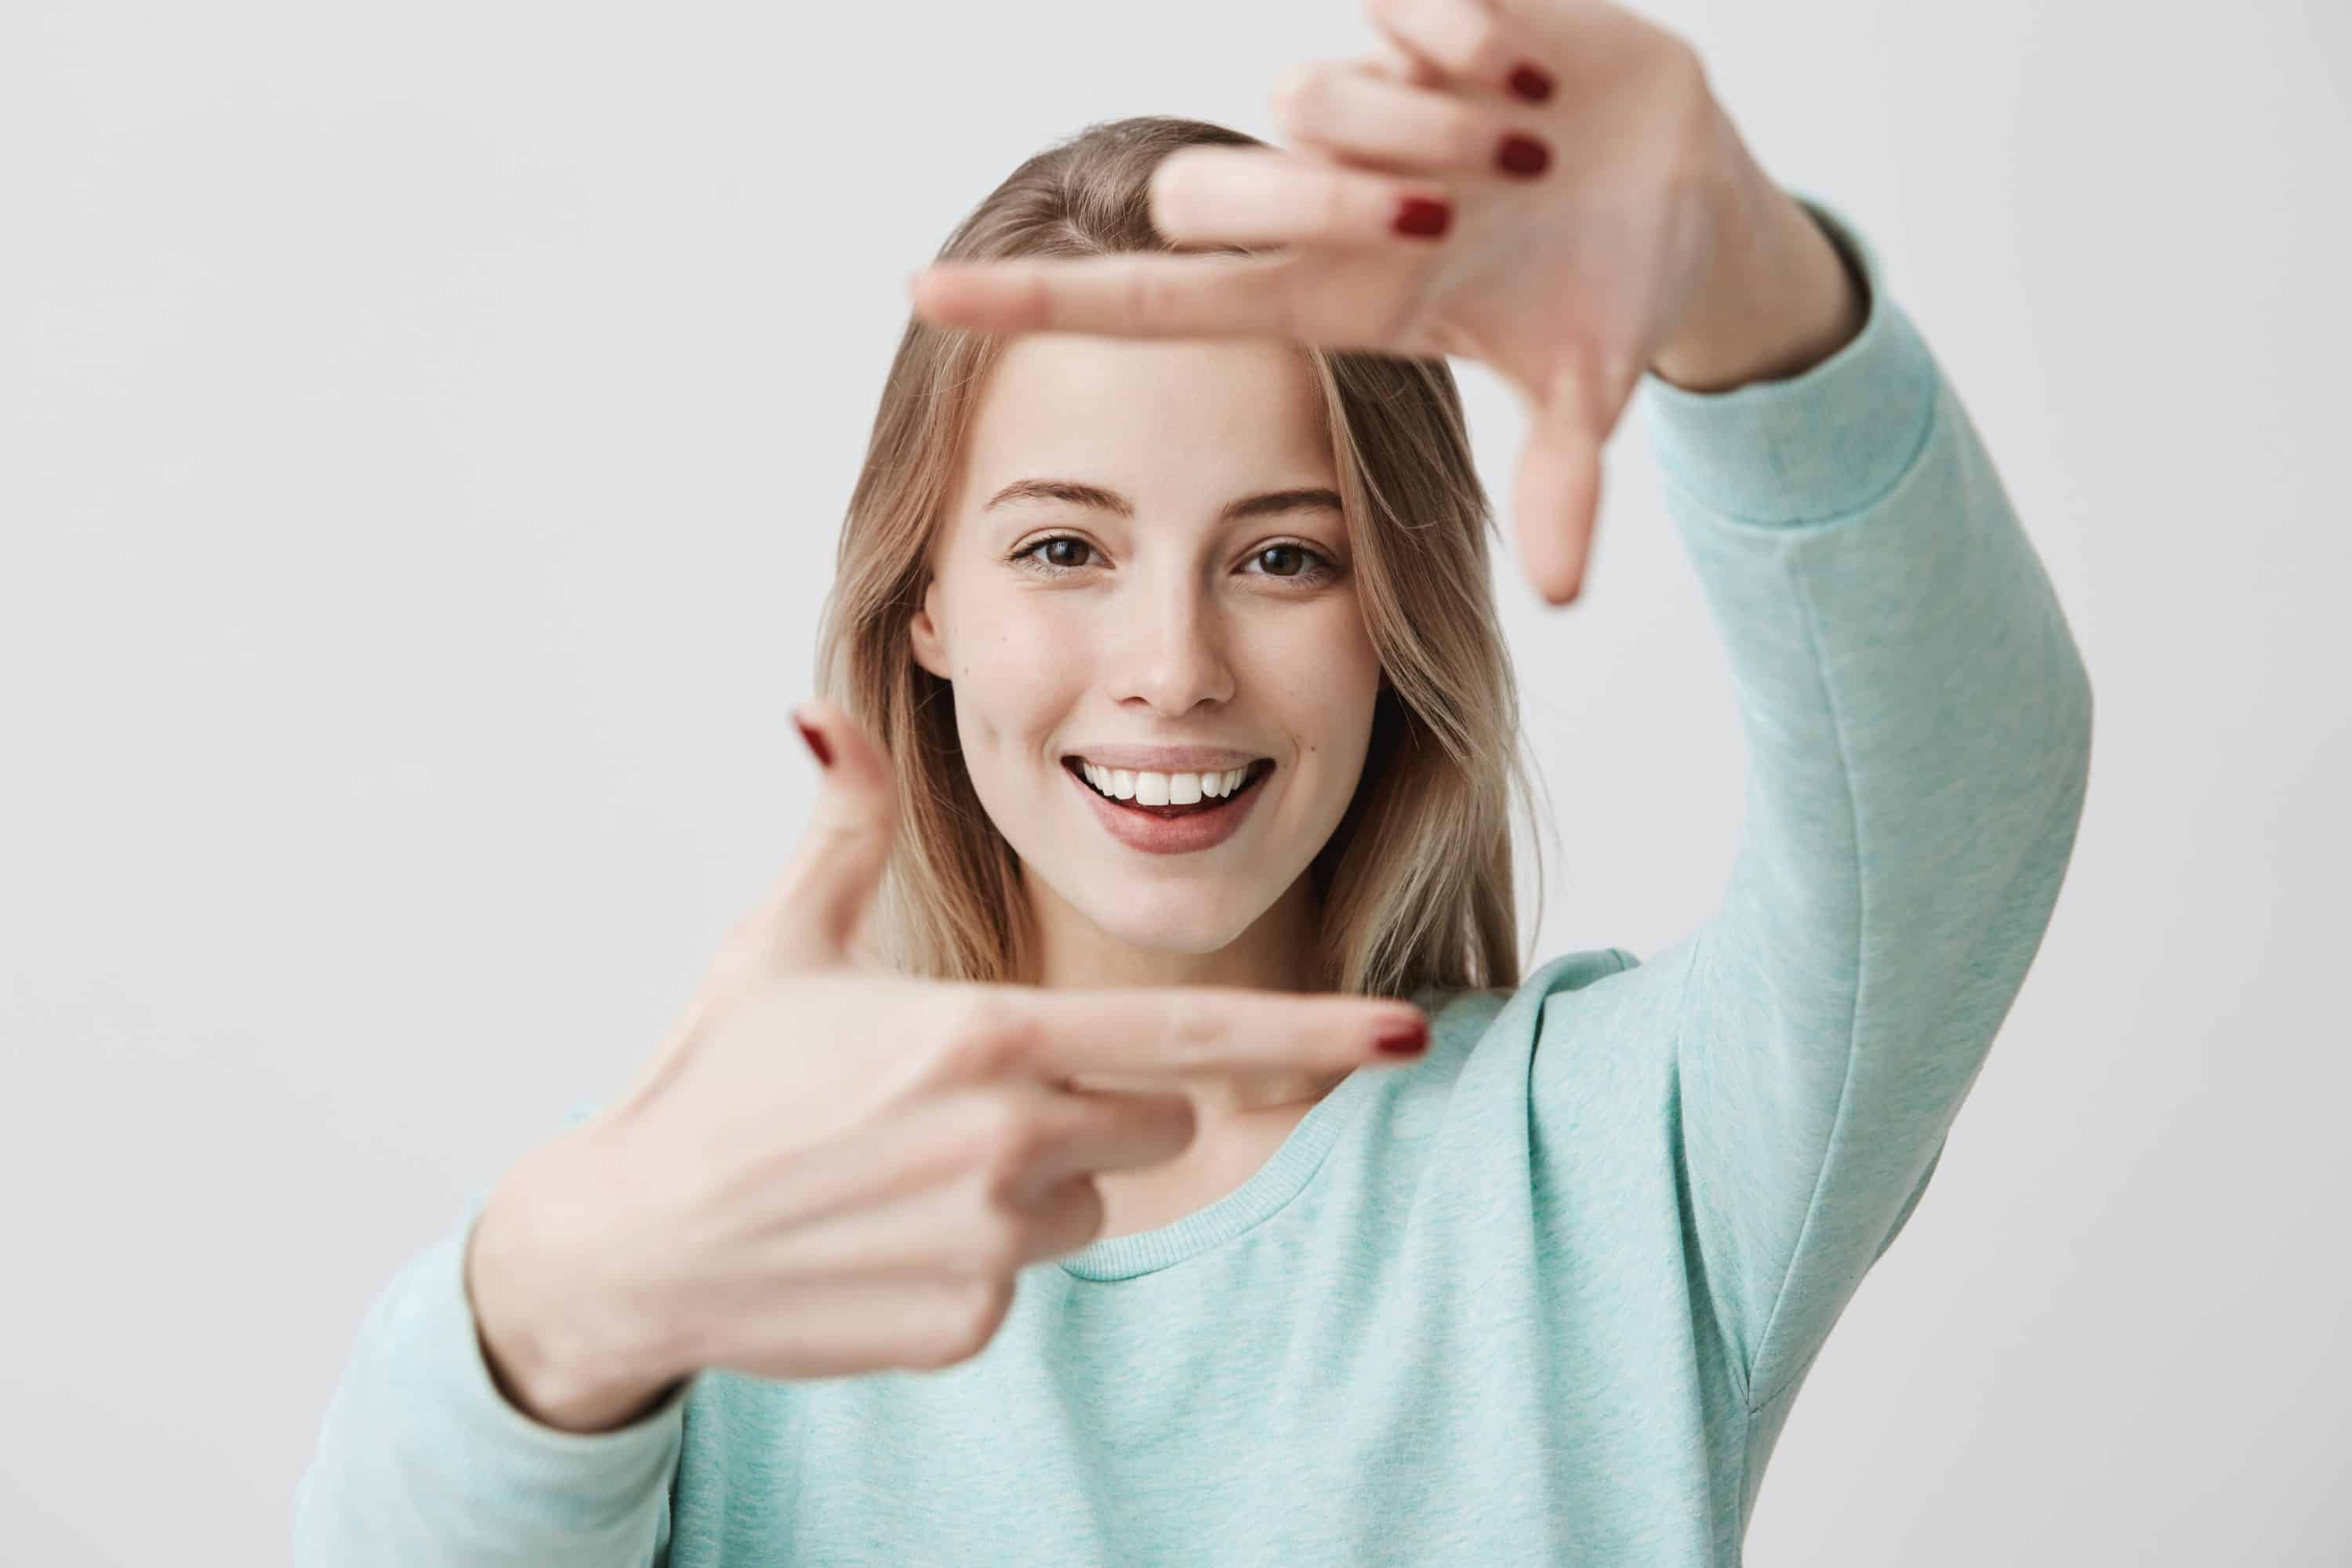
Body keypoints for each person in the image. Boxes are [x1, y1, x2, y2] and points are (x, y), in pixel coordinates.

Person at [293, 2, 2094, 1563]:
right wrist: (548, 1296)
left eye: (1285, 557)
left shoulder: (1618, 1161)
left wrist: (1744, 285)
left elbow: (1960, 787)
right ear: (928, 606)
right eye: (1066, 548)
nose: (1172, 664)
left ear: (1395, 612)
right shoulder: (742, 1217)